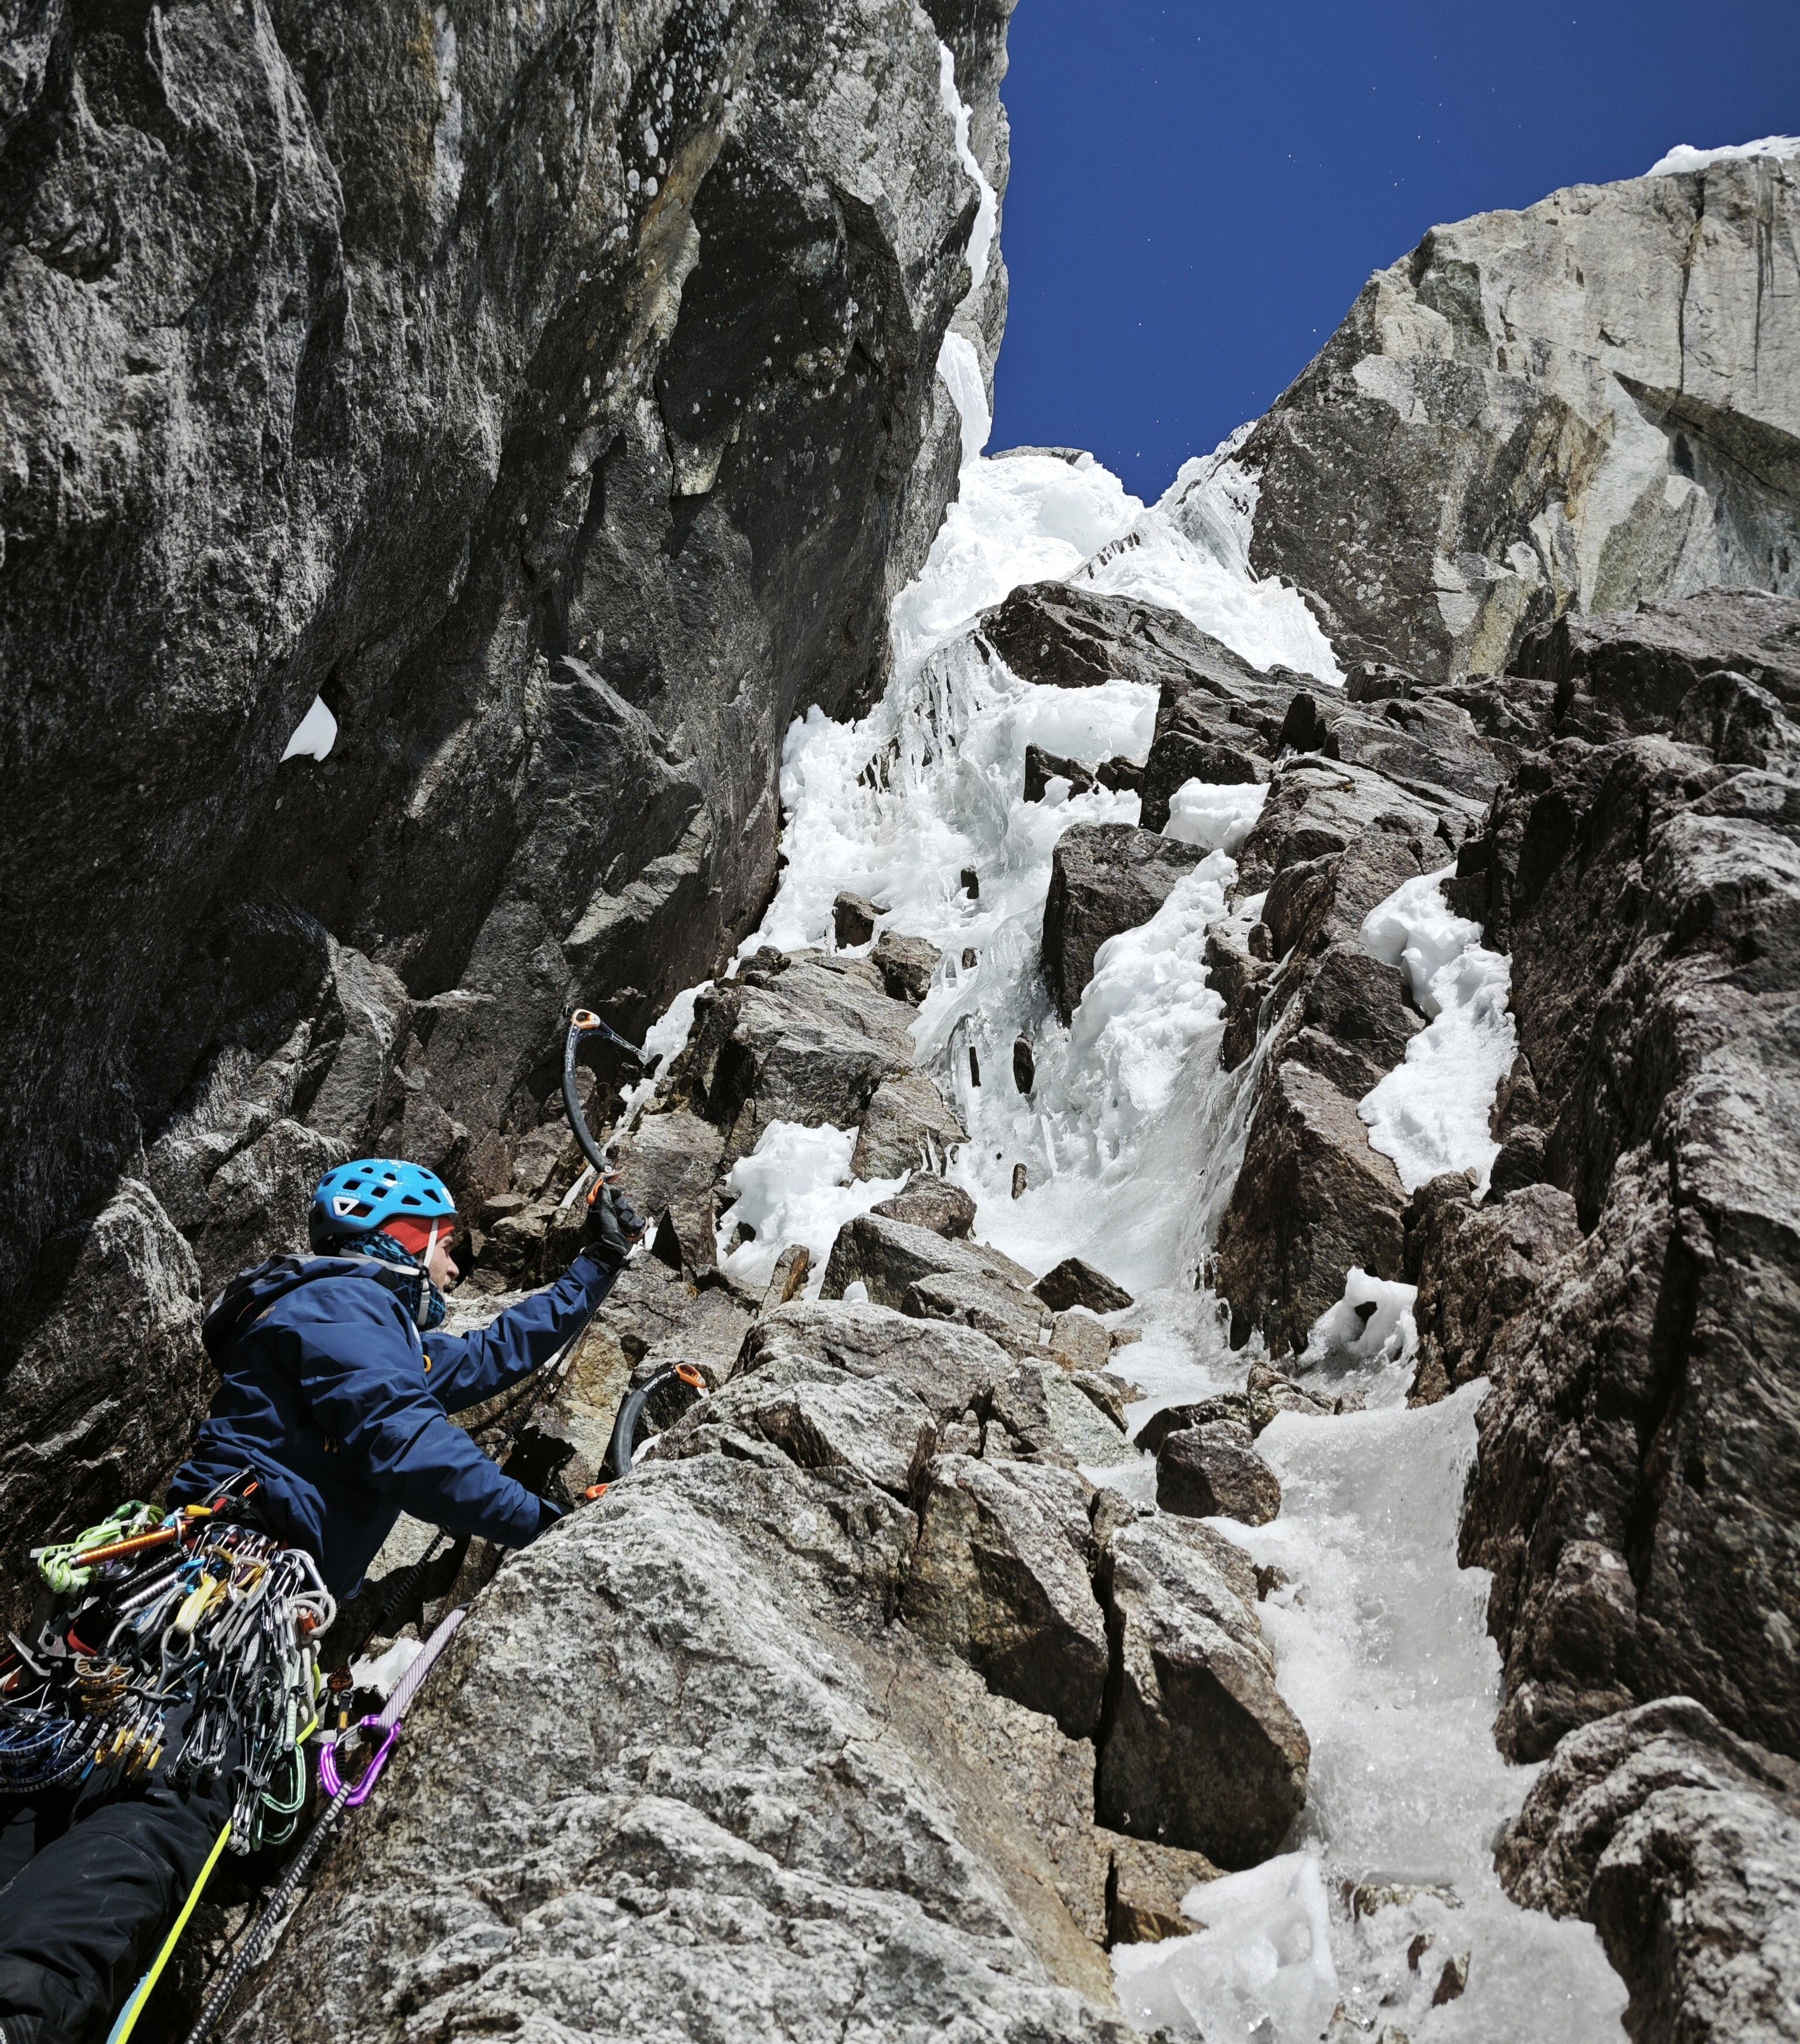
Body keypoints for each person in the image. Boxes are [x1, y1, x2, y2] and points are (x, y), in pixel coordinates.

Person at [0, 1157, 641, 2044]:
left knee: (67, 1778)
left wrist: (596, 1266)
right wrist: (545, 1522)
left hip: (171, 1597)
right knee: (167, 1803)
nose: (456, 1263)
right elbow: (404, 1440)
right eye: (449, 1240)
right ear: (404, 1235)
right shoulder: (344, 1305)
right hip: (230, 1607)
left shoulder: (351, 1324)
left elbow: (486, 1358)